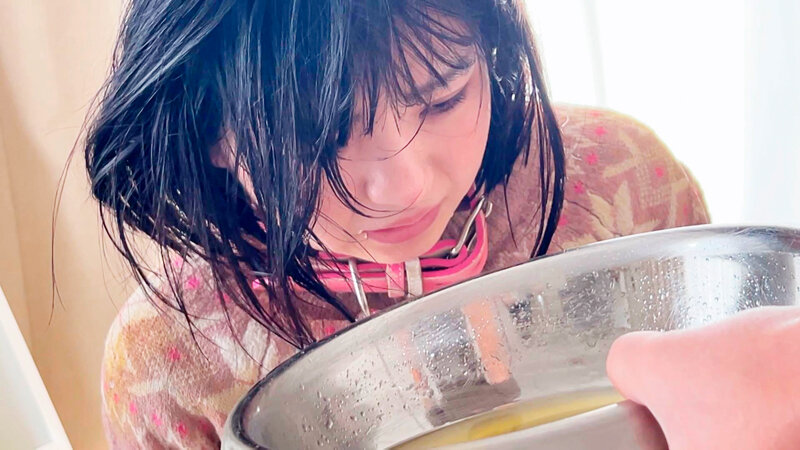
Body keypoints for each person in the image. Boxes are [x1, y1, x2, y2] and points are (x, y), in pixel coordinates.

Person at [85, 0, 752, 448]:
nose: (406, 186)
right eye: (318, 139)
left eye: (443, 97)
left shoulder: (626, 184)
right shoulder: (167, 361)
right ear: (209, 132)